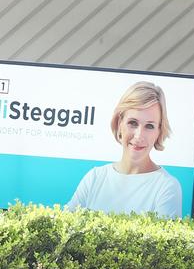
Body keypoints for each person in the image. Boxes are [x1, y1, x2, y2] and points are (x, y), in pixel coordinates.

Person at [67, 81, 182, 218]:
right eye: (133, 123)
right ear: (119, 123)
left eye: (149, 126)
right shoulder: (94, 178)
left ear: (159, 131)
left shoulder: (167, 187)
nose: (139, 135)